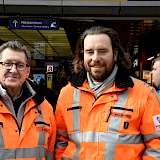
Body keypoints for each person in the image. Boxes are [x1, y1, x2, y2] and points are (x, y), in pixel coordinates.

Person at [55, 26, 160, 159]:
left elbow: (157, 146)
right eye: (89, 52)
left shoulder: (145, 94)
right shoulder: (67, 93)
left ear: (115, 54)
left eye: (102, 51)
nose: (95, 58)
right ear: (83, 55)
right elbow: (60, 141)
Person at [0, 40, 56, 159]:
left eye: (20, 65)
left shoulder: (45, 108)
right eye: (8, 64)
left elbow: (51, 153)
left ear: (27, 71)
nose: (13, 70)